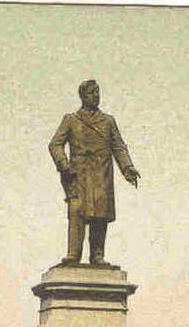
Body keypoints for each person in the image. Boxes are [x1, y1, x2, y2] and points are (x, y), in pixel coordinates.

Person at [48, 79, 140, 266]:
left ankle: (97, 255)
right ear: (83, 96)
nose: (96, 96)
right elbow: (55, 144)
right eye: (92, 93)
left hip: (101, 174)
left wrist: (127, 167)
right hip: (78, 174)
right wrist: (63, 164)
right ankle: (73, 254)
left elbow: (118, 146)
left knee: (100, 214)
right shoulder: (71, 120)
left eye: (98, 92)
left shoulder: (108, 121)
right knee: (77, 212)